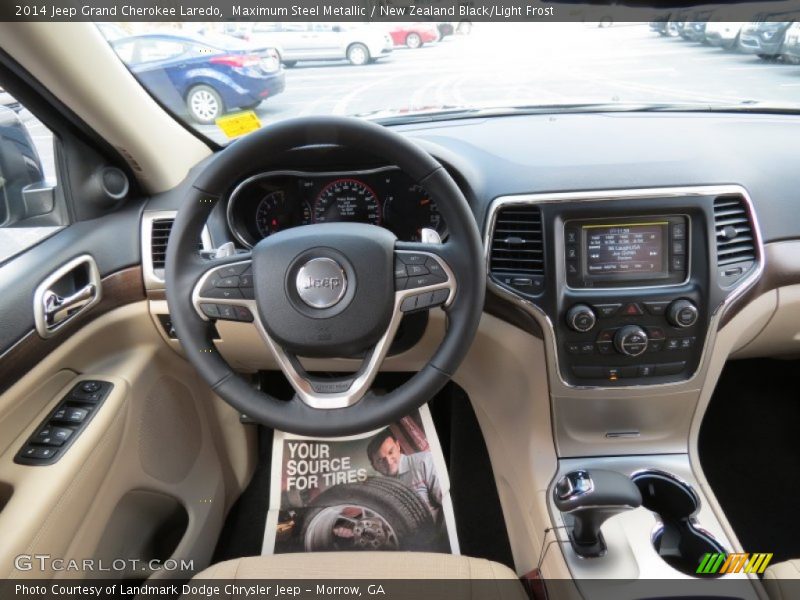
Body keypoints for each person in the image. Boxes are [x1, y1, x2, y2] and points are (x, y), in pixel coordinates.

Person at [366, 428, 442, 522]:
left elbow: (448, 502)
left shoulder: (424, 461)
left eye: (390, 452)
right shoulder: (378, 489)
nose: (389, 462)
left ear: (398, 446)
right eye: (380, 460)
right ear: (374, 466)